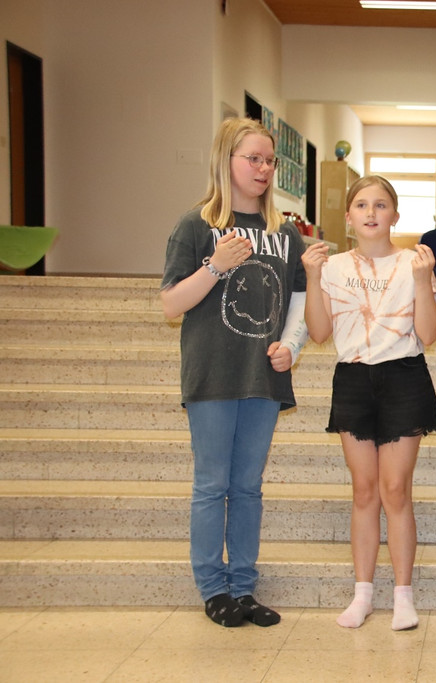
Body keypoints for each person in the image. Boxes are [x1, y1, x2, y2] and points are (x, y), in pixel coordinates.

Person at [160, 117, 309, 628]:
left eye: (269, 160)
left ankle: (243, 588)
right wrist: (215, 265)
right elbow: (170, 304)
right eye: (253, 159)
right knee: (212, 485)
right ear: (226, 161)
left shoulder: (283, 232)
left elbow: (298, 301)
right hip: (212, 376)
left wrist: (292, 347)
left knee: (247, 487)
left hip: (263, 378)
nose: (264, 169)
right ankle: (213, 589)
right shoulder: (196, 225)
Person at [302, 175, 436, 631]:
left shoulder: (413, 263)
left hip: (404, 377)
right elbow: (319, 333)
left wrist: (423, 281)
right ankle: (362, 593)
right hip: (353, 378)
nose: (371, 212)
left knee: (395, 489)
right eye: (362, 205)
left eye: (380, 205)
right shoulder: (332, 266)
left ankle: (403, 596)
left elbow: (429, 334)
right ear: (348, 216)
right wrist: (311, 277)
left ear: (395, 215)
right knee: (364, 490)